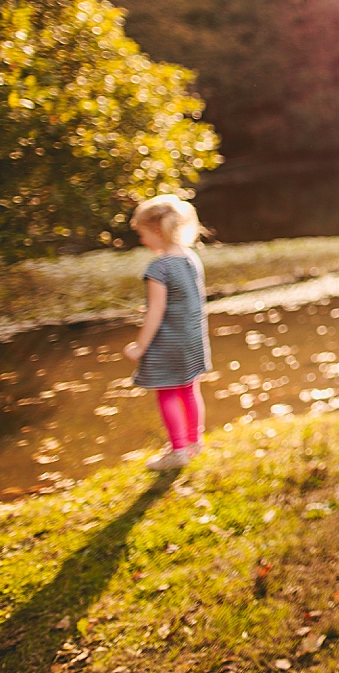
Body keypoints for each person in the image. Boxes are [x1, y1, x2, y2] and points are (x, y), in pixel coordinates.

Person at [122, 193, 212, 471]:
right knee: (189, 388)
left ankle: (178, 450)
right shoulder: (190, 258)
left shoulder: (158, 267)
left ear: (158, 231)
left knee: (167, 392)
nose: (141, 240)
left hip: (169, 341)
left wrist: (140, 346)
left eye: (143, 234)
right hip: (192, 338)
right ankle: (194, 441)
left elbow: (156, 312)